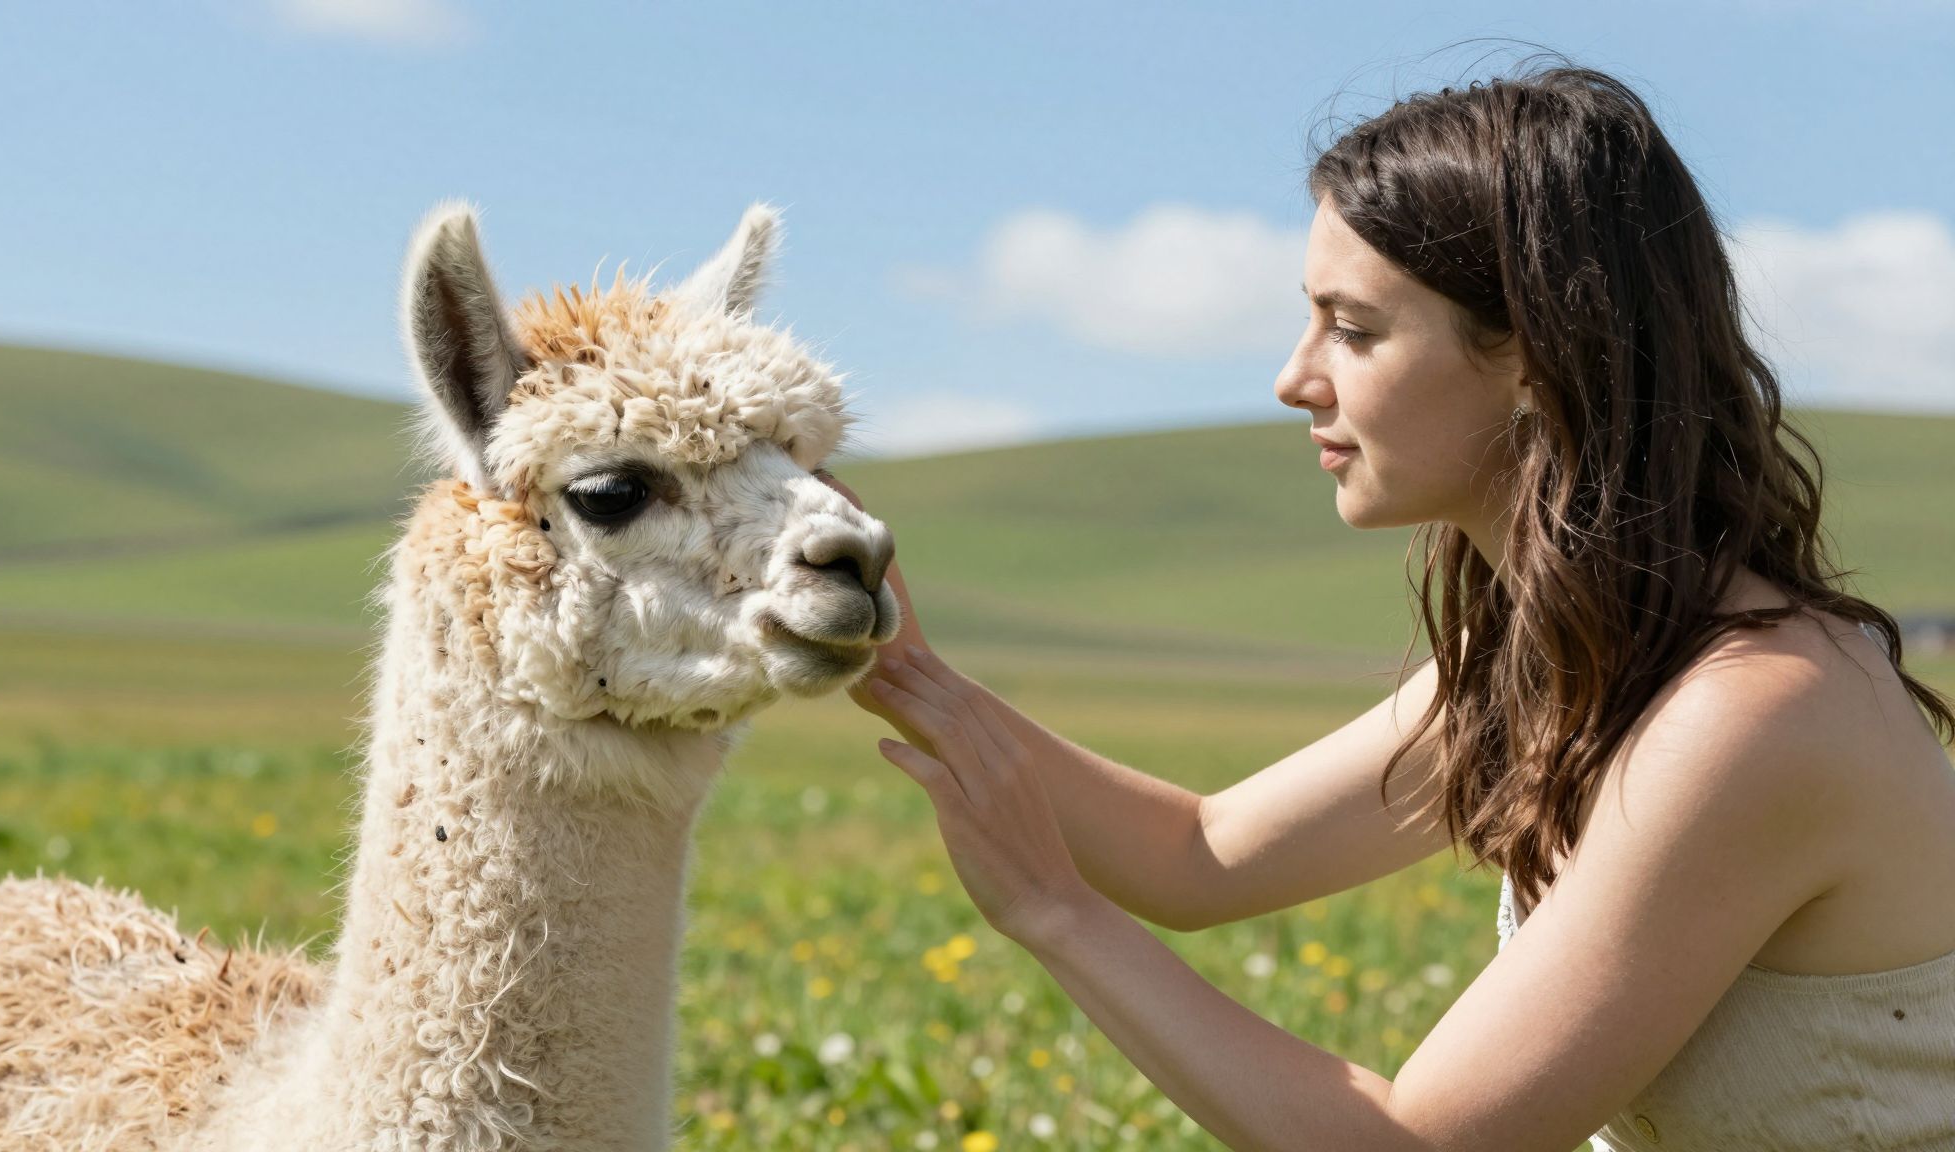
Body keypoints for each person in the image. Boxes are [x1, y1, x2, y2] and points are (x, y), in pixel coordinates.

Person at [817, 64, 1955, 1152]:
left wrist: (1055, 915)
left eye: (1352, 330)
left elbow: (1418, 1144)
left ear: (1533, 356)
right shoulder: (1555, 654)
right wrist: (896, 663)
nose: (1292, 377)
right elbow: (1198, 856)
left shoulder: (1747, 715)